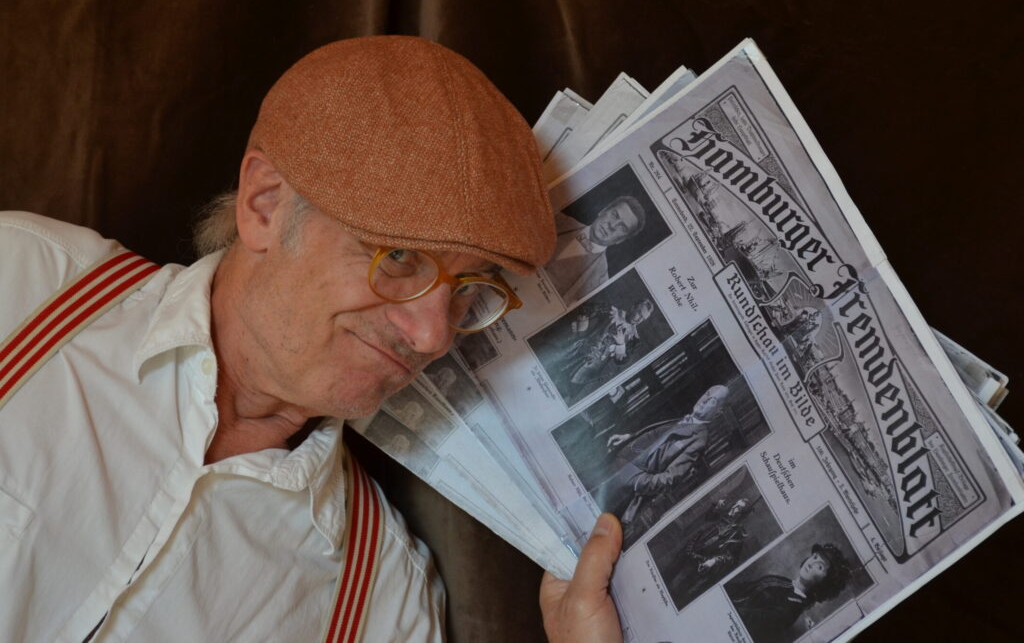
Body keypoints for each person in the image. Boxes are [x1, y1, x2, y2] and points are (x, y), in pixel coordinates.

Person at [0, 36, 623, 643]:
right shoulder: (22, 281)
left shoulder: (382, 602)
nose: (433, 334)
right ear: (265, 205)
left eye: (467, 289)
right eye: (398, 256)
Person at [606, 384, 730, 545]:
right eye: (707, 393)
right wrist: (630, 438)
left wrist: (638, 481)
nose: (705, 399)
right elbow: (656, 440)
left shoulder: (699, 440)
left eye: (712, 400)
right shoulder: (684, 420)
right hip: (616, 465)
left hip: (625, 488)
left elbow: (669, 479)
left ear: (718, 412)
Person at [728, 543, 853, 643]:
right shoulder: (785, 581)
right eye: (815, 557)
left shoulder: (791, 608)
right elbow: (744, 587)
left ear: (823, 583)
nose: (812, 563)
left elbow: (750, 620)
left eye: (820, 567)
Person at [544, 196, 647, 301]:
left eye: (622, 227)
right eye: (614, 215)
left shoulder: (600, 283)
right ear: (603, 211)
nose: (612, 225)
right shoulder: (558, 218)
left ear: (621, 240)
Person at [555, 298, 655, 400]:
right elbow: (584, 309)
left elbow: (621, 361)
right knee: (554, 373)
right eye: (639, 313)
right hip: (576, 353)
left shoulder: (634, 338)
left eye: (643, 318)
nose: (639, 319)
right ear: (633, 307)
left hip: (588, 371)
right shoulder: (612, 312)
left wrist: (621, 343)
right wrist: (581, 332)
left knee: (563, 394)